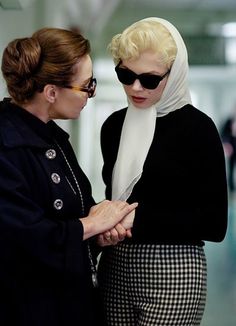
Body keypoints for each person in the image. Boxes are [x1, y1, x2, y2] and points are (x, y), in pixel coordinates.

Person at [0, 27, 138, 326]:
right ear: (51, 92)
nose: (91, 94)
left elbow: (75, 213)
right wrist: (91, 224)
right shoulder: (7, 143)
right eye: (86, 86)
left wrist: (100, 231)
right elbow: (21, 235)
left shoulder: (52, 137)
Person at [97, 17, 228, 326]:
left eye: (150, 79)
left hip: (174, 268)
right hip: (115, 266)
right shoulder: (113, 126)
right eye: (125, 75)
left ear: (176, 73)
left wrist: (135, 218)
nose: (135, 88)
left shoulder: (199, 129)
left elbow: (215, 224)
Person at [220, 106, 236, 193]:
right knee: (231, 168)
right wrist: (227, 144)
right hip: (232, 149)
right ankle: (231, 188)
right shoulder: (229, 121)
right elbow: (223, 134)